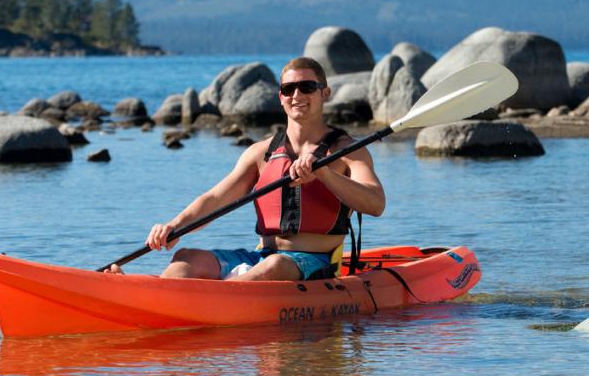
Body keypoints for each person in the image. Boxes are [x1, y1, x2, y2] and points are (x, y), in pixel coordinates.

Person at [110, 57, 385, 281]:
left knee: (273, 267)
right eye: (289, 89)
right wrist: (175, 226)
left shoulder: (347, 151)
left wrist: (325, 174)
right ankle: (150, 294)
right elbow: (215, 199)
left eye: (307, 87)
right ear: (280, 97)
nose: (297, 95)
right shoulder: (260, 153)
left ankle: (201, 303)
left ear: (325, 93)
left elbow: (375, 203)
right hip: (260, 257)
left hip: (314, 262)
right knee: (187, 258)